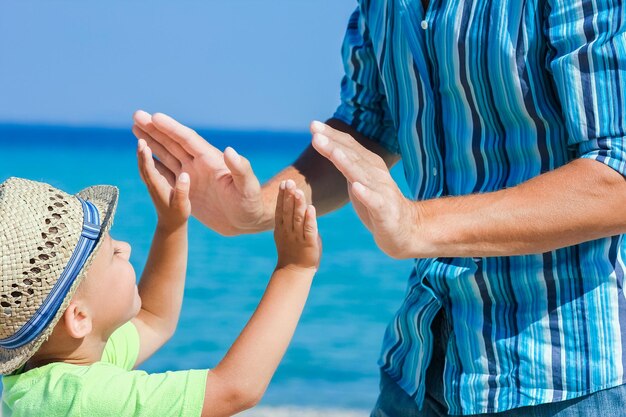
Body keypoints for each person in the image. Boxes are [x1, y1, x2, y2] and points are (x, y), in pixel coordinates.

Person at [131, 0, 626, 415]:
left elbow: (616, 175)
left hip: (570, 378)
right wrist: (259, 208)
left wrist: (416, 224)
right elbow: (367, 127)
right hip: (420, 362)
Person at [0, 139, 322, 417]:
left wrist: (171, 225)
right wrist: (294, 269)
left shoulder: (45, 377)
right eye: (113, 254)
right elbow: (235, 390)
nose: (125, 248)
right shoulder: (78, 400)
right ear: (80, 317)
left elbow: (154, 320)